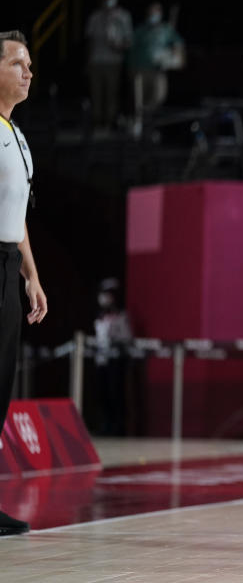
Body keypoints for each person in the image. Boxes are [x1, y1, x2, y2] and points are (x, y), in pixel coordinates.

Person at [0, 30, 48, 536]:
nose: (28, 72)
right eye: (18, 63)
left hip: (7, 265)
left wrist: (31, 275)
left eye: (29, 64)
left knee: (1, 382)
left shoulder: (18, 136)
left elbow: (18, 216)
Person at [128, 2, 185, 140]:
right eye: (152, 13)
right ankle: (138, 128)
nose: (154, 15)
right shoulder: (141, 30)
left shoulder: (166, 30)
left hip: (158, 72)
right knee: (139, 100)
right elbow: (130, 48)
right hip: (140, 70)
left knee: (158, 97)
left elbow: (178, 44)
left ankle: (148, 123)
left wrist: (176, 57)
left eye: (157, 12)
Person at [85, 0, 133, 133]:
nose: (109, 1)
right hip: (96, 61)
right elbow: (89, 40)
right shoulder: (95, 17)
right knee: (96, 93)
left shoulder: (123, 17)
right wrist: (87, 61)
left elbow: (128, 41)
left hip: (113, 62)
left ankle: (109, 122)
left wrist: (118, 46)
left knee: (111, 93)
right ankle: (98, 122)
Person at [92, 277, 133, 435]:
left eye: (107, 294)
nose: (104, 297)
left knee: (116, 395)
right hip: (101, 361)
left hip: (115, 362)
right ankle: (105, 425)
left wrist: (115, 343)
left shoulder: (121, 316)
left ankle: (118, 428)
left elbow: (127, 338)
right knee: (103, 396)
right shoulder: (99, 317)